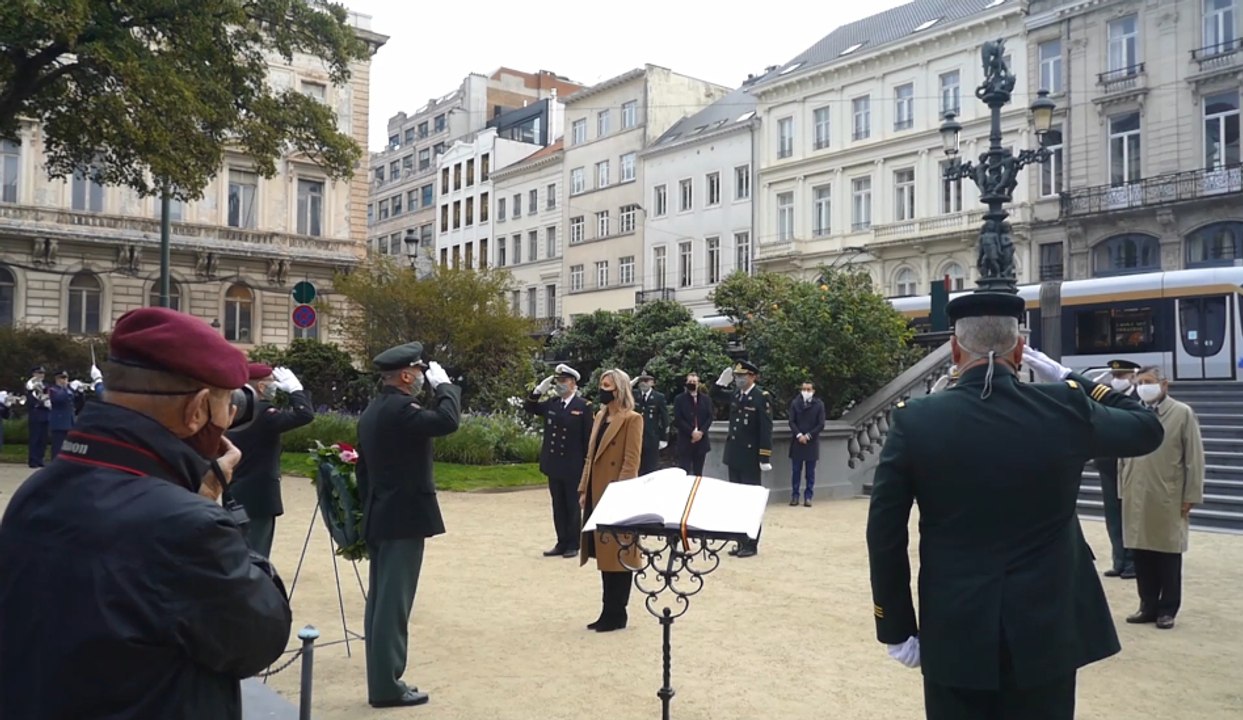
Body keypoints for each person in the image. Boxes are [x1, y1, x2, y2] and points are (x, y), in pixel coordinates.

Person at [866, 291, 1164, 720]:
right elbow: (1147, 427)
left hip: (955, 628)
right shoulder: (1064, 406)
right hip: (1048, 629)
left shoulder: (917, 419)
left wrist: (894, 626)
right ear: (1022, 350)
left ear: (954, 348)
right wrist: (1072, 377)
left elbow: (884, 533)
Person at [0, 307, 292, 719]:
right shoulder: (188, 527)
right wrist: (210, 506)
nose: (231, 418)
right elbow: (260, 637)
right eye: (228, 404)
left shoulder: (37, 491)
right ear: (196, 411)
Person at [356, 342, 460, 708]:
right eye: (418, 372)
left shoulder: (373, 410)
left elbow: (362, 471)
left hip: (381, 514)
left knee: (381, 602)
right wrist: (446, 387)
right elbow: (447, 422)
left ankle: (381, 678)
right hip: (403, 518)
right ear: (404, 375)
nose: (421, 378)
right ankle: (387, 686)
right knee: (393, 605)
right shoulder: (401, 409)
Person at [1119, 366, 1205, 630]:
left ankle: (1167, 608)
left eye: (1149, 382)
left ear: (1164, 385)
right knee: (1141, 552)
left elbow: (1194, 457)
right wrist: (1122, 489)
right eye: (1140, 382)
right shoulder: (1132, 412)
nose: (1144, 386)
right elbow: (1122, 454)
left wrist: (1191, 494)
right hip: (1136, 494)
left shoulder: (1181, 413)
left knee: (1167, 553)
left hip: (1168, 493)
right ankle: (1147, 605)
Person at [577, 368, 643, 632]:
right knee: (604, 553)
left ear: (619, 389)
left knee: (619, 553)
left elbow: (631, 461)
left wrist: (620, 495)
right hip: (596, 490)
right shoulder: (600, 416)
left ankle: (618, 612)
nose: (602, 390)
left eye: (607, 386)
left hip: (616, 493)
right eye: (601, 384)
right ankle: (608, 610)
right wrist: (584, 489)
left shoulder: (632, 419)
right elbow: (590, 457)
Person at [227, 363, 315, 557]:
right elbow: (304, 414)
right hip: (258, 496)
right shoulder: (263, 412)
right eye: (272, 381)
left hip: (235, 491)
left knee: (238, 552)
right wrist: (296, 391)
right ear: (260, 386)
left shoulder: (235, 410)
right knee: (256, 554)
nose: (275, 385)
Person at [524, 363, 592, 558]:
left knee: (572, 505)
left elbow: (587, 438)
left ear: (573, 383)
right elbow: (530, 407)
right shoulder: (552, 403)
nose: (560, 385)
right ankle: (561, 541)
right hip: (554, 463)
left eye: (563, 381)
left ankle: (573, 543)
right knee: (558, 505)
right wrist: (538, 391)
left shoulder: (583, 406)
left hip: (573, 464)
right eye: (558, 381)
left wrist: (587, 465)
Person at [712, 360, 773, 558]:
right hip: (735, 455)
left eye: (742, 376)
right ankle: (740, 541)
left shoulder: (761, 397)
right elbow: (715, 396)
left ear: (753, 377)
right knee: (737, 502)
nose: (739, 379)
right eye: (737, 376)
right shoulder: (737, 395)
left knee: (750, 503)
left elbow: (766, 428)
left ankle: (751, 543)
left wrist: (764, 456)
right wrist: (720, 383)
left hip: (750, 457)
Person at [1094, 358, 1140, 579]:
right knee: (1113, 514)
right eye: (1114, 376)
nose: (1117, 380)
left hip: (1132, 465)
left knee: (1131, 513)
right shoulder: (1106, 397)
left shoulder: (1139, 399)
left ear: (1132, 376)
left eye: (1121, 376)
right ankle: (1119, 559)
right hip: (1107, 463)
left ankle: (1133, 561)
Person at [788, 380, 825, 507]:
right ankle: (795, 496)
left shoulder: (819, 405)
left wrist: (808, 436)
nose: (806, 392)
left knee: (810, 473)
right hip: (797, 442)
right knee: (796, 471)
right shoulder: (795, 403)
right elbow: (791, 421)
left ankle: (808, 497)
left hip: (811, 442)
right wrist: (799, 435)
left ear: (813, 391)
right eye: (804, 389)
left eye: (809, 389)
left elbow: (821, 424)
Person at [673, 372, 713, 475]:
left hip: (701, 441)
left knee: (698, 472)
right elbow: (678, 419)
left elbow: (710, 417)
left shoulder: (706, 399)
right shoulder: (679, 399)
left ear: (698, 383)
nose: (692, 383)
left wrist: (701, 432)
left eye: (694, 381)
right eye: (690, 381)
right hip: (686, 441)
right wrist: (692, 432)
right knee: (684, 471)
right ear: (686, 383)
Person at [632, 370, 669, 475]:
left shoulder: (658, 397)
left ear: (652, 382)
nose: (643, 383)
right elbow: (622, 391)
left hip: (652, 438)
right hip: (636, 438)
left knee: (651, 470)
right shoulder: (634, 395)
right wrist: (633, 381)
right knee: (636, 469)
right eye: (641, 380)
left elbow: (665, 419)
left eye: (646, 380)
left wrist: (664, 438)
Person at [46, 369, 75, 458]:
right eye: (62, 378)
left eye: (65, 378)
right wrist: (66, 389)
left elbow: (77, 402)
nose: (64, 380)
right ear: (57, 379)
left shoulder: (69, 390)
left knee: (68, 447)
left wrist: (79, 392)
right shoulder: (52, 390)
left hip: (69, 421)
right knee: (58, 447)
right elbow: (58, 399)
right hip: (58, 422)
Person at [24, 365, 49, 467]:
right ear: (34, 374)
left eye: (42, 373)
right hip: (35, 414)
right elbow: (29, 401)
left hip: (45, 414)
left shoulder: (46, 385)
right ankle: (33, 460)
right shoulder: (30, 386)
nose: (41, 375)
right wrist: (40, 402)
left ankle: (40, 459)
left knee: (43, 439)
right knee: (35, 438)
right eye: (39, 373)